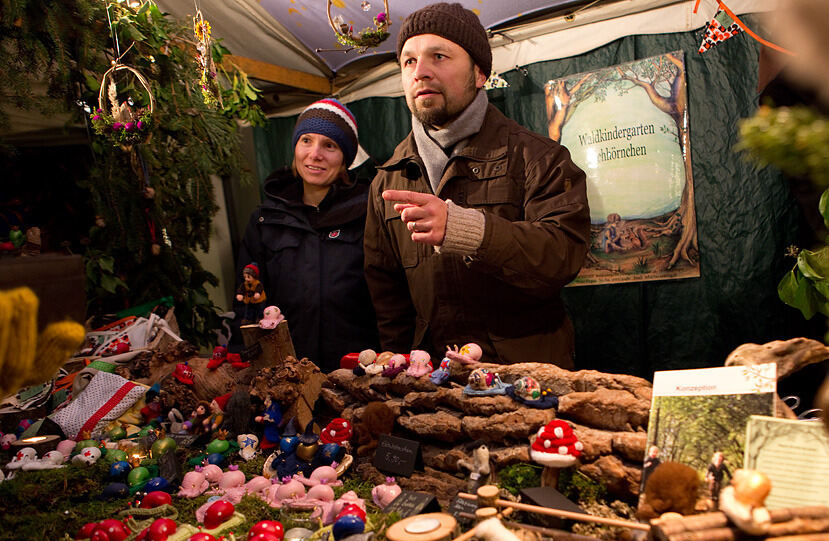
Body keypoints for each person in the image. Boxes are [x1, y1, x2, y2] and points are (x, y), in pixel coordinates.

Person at [363, 3, 591, 369]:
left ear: (480, 72)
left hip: (523, 377)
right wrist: (401, 370)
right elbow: (388, 299)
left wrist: (468, 230)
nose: (420, 72)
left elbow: (562, 255)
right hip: (433, 379)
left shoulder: (539, 157)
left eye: (439, 56)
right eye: (408, 62)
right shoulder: (386, 180)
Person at [237, 98, 378, 372]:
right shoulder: (265, 220)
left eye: (330, 145)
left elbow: (390, 300)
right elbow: (246, 298)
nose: (315, 154)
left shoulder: (369, 214)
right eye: (306, 141)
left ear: (345, 158)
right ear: (295, 147)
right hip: (287, 371)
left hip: (355, 369)